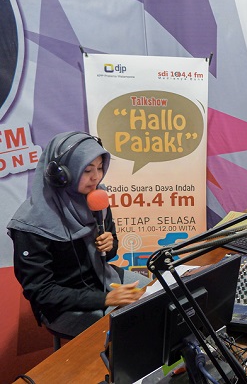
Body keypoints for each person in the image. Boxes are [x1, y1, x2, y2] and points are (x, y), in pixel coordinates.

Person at [8, 131, 151, 337]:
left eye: (100, 168)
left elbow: (109, 255)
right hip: (62, 303)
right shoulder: (29, 225)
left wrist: (110, 245)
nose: (96, 177)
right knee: (132, 328)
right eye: (87, 170)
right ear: (61, 175)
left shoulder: (97, 199)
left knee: (159, 295)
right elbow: (41, 292)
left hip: (102, 277)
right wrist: (104, 299)